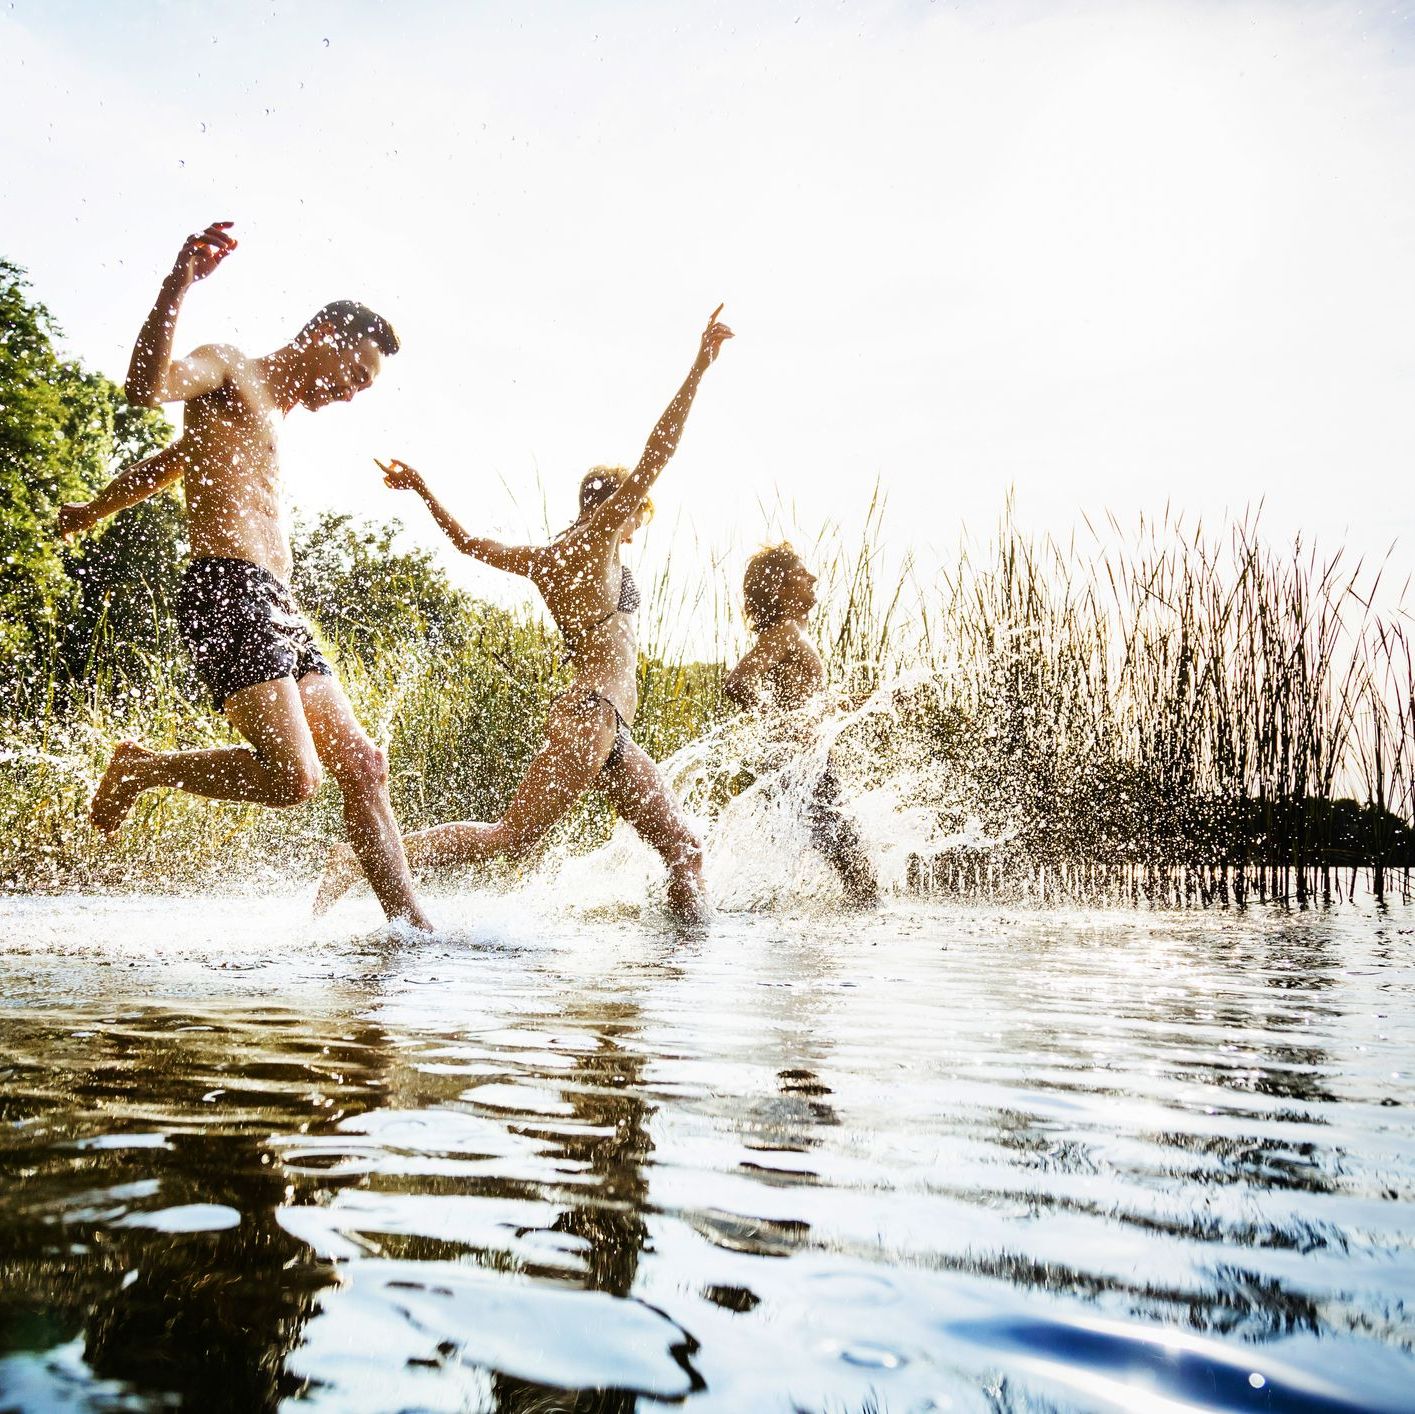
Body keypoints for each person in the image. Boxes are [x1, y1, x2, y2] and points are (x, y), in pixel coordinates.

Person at [60, 221, 432, 932]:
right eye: (357, 373)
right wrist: (178, 285)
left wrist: (98, 506)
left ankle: (414, 931)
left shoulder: (274, 416)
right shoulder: (229, 367)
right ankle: (141, 768)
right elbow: (146, 388)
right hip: (225, 591)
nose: (354, 393)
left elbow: (169, 464)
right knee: (295, 780)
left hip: (278, 604)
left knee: (364, 765)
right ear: (325, 330)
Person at [315, 307, 734, 924]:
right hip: (591, 715)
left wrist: (425, 491)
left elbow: (465, 543)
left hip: (606, 726)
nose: (634, 526)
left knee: (684, 850)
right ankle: (358, 857)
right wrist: (699, 366)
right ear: (625, 510)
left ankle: (674, 966)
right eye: (633, 513)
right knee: (512, 836)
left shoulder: (548, 556)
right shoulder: (596, 540)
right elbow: (659, 449)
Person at [723, 543, 879, 907]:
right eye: (800, 573)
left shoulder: (793, 633)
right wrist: (779, 725)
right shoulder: (786, 631)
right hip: (803, 764)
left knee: (851, 872)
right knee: (861, 879)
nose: (813, 577)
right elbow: (737, 681)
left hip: (806, 763)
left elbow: (806, 705)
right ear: (778, 587)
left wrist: (865, 702)